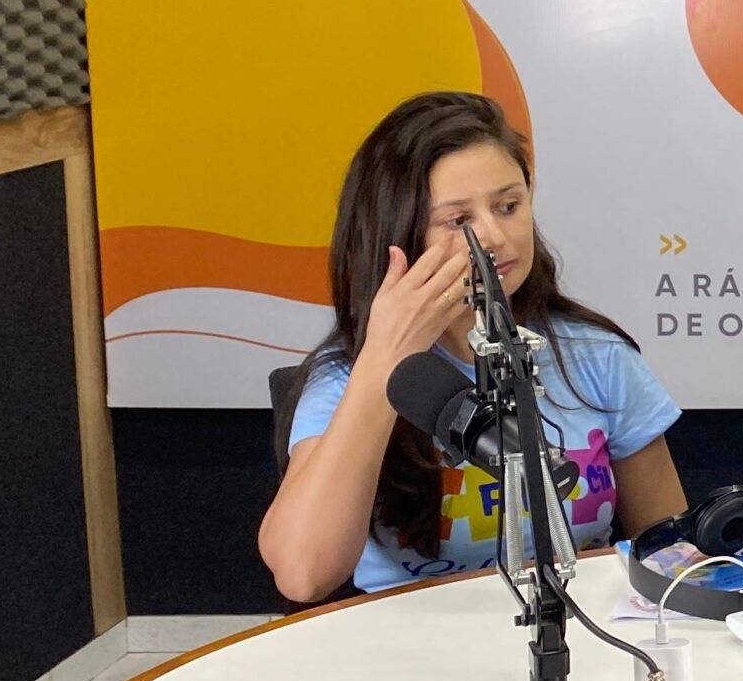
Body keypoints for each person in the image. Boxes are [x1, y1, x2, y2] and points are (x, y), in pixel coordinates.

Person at [259, 92, 688, 601]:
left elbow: (671, 556)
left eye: (508, 207)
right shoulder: (344, 379)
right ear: (399, 236)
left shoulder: (598, 357)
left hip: (576, 627)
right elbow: (303, 575)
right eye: (459, 221)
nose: (495, 237)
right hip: (411, 640)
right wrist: (383, 363)